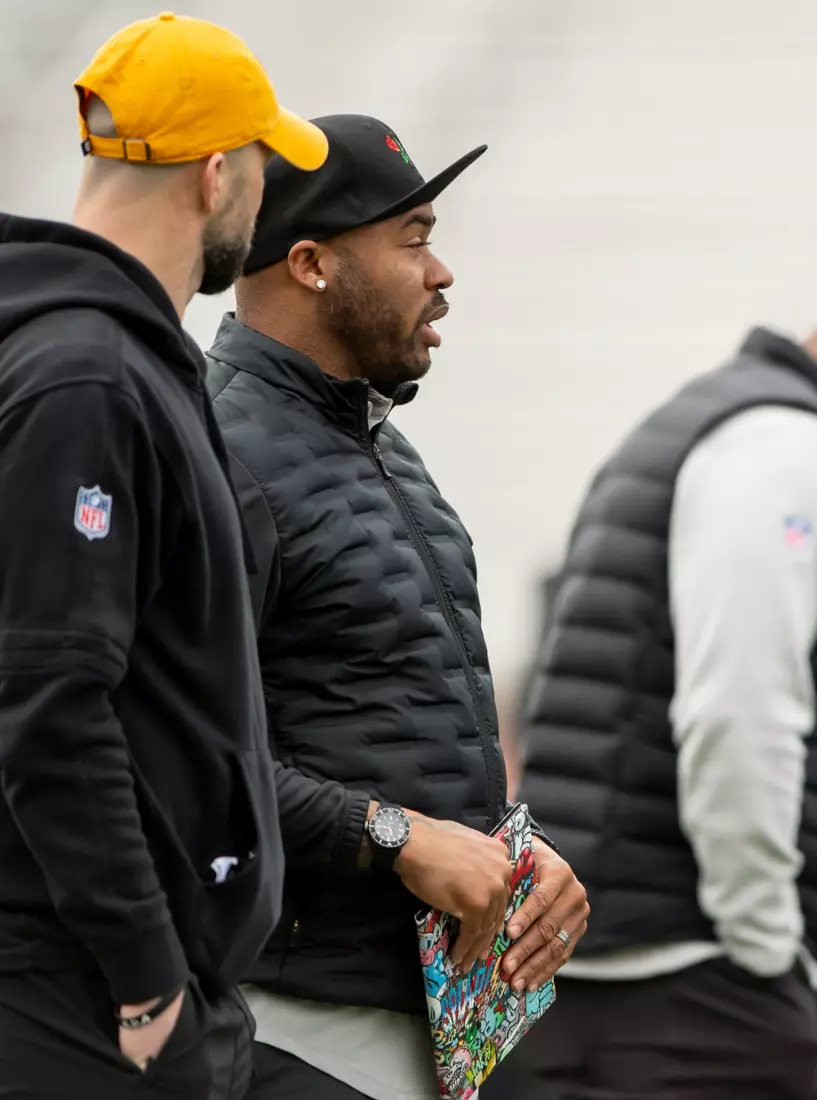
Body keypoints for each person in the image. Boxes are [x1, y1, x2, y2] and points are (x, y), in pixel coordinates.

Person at [499, 256, 817, 1099]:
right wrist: (762, 947)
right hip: (693, 980)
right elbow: (738, 711)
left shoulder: (711, 416)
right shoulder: (792, 445)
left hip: (614, 963)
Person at [204, 114, 587, 1100]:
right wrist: (397, 835)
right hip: (290, 1025)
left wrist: (513, 847)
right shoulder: (218, 449)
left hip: (423, 1020)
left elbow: (384, 709)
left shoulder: (374, 438)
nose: (442, 271)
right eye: (413, 238)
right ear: (311, 263)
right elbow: (181, 751)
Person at [0, 13, 326, 1099]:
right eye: (264, 169)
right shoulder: (86, 372)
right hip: (82, 993)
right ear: (216, 173)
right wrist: (147, 980)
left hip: (92, 980)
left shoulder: (98, 351)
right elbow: (49, 696)